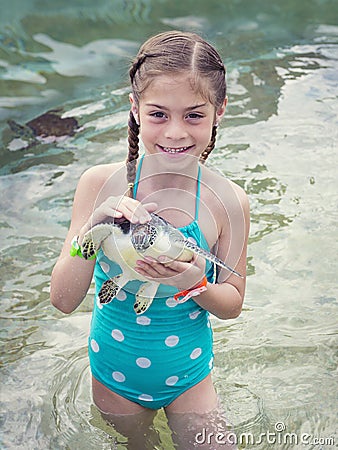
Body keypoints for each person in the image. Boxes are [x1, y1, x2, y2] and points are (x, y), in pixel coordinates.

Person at [51, 30, 250, 449]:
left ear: (220, 111)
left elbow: (232, 304)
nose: (175, 132)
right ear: (135, 109)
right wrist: (90, 233)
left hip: (189, 377)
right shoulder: (98, 185)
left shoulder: (229, 201)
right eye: (159, 114)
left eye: (194, 115)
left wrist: (193, 284)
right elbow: (63, 299)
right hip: (113, 378)